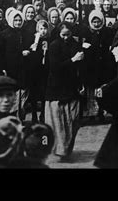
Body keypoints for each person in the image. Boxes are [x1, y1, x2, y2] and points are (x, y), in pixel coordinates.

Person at [44, 21, 83, 161]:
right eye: (63, 35)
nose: (66, 37)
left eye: (68, 34)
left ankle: (67, 148)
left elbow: (80, 67)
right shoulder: (54, 46)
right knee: (59, 121)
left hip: (72, 87)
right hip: (57, 88)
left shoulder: (75, 44)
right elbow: (55, 68)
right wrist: (73, 59)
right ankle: (61, 150)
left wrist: (81, 82)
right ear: (59, 34)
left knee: (73, 119)